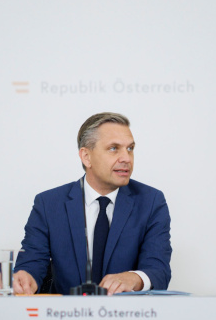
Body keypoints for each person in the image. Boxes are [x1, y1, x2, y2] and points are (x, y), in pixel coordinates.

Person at [13, 112, 172, 295]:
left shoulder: (151, 201)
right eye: (113, 148)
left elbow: (159, 270)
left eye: (130, 148)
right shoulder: (49, 204)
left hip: (127, 318)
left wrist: (134, 278)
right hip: (64, 318)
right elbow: (31, 261)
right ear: (86, 157)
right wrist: (27, 278)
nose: (126, 158)